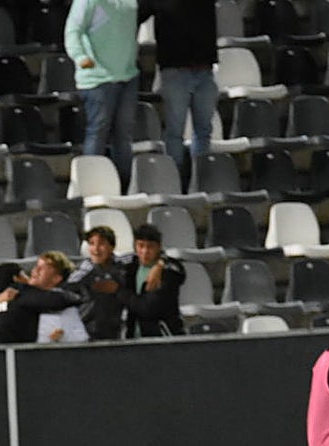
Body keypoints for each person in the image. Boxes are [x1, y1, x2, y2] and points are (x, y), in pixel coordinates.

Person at [64, 0, 139, 188]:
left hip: (128, 76)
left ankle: (122, 187)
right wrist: (81, 57)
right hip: (98, 78)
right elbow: (73, 30)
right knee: (98, 132)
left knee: (124, 136)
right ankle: (91, 185)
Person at [140, 0, 217, 179]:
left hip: (204, 69)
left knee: (204, 130)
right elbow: (134, 15)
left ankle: (200, 178)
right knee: (175, 131)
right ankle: (174, 179)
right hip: (174, 70)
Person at [0, 253, 83, 346]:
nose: (35, 271)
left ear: (56, 278)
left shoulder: (61, 304)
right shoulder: (17, 291)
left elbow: (78, 338)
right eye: (36, 266)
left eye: (43, 268)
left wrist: (57, 339)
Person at [116, 223, 185, 338]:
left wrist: (119, 291)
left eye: (150, 246)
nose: (145, 251)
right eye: (141, 246)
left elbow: (147, 308)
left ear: (158, 247)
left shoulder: (168, 272)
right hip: (134, 336)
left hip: (163, 337)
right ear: (135, 246)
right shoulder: (130, 267)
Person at [66, 225, 125, 341]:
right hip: (87, 331)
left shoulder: (123, 266)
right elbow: (67, 287)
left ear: (112, 246)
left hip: (116, 331)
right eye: (92, 244)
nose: (96, 249)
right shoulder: (84, 269)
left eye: (101, 244)